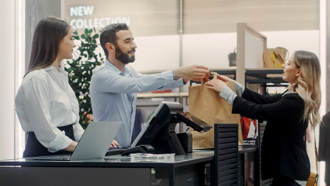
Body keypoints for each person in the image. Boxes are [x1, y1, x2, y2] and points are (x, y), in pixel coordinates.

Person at [205, 50, 321, 186]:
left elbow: (258, 111)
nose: (284, 65)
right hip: (288, 171)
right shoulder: (290, 95)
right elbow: (262, 100)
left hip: (290, 174)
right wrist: (234, 85)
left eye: (288, 63)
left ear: (299, 72)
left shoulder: (294, 101)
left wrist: (226, 92)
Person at [90, 23, 209, 148]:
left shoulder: (130, 72)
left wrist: (183, 77)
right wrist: (176, 73)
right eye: (127, 42)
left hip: (123, 150)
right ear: (110, 47)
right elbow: (140, 84)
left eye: (133, 41)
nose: (134, 46)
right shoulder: (102, 76)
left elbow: (151, 83)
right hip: (105, 151)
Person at [15, 17, 118, 158]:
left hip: (65, 154)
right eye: (71, 38)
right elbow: (47, 133)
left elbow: (74, 126)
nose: (74, 44)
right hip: (43, 158)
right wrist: (86, 147)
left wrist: (95, 142)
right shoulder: (36, 79)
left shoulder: (61, 76)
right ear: (56, 40)